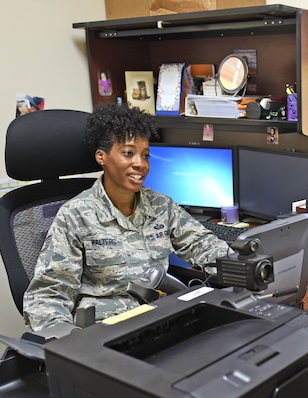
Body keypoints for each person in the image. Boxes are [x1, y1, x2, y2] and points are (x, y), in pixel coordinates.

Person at [23, 103, 232, 336]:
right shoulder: (75, 215)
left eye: (145, 155)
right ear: (101, 157)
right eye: (128, 153)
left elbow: (202, 244)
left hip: (162, 320)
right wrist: (68, 341)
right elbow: (48, 294)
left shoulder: (161, 205)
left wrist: (241, 265)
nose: (140, 164)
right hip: (107, 331)